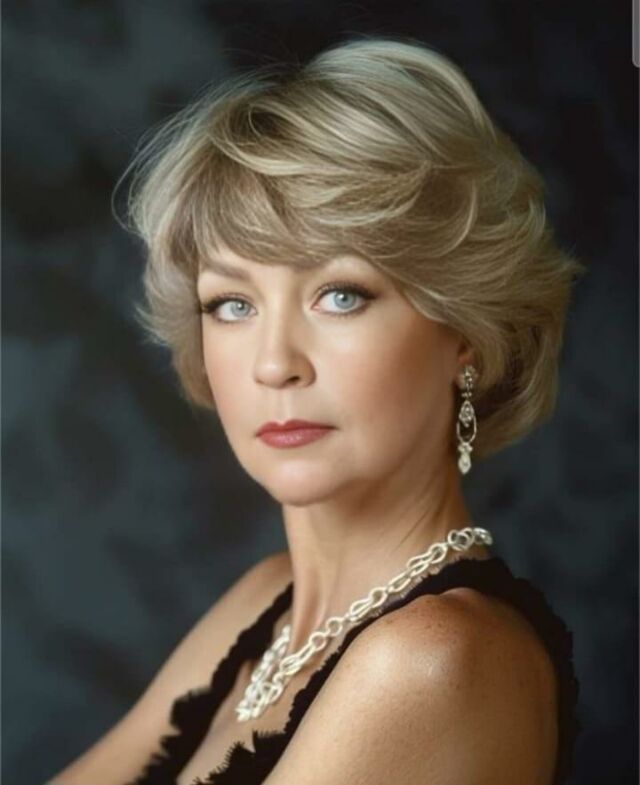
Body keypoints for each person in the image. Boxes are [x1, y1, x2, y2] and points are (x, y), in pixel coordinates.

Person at [48, 34, 584, 785]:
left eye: (340, 295)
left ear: (464, 330)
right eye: (232, 303)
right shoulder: (267, 602)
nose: (274, 363)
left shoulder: (430, 657)